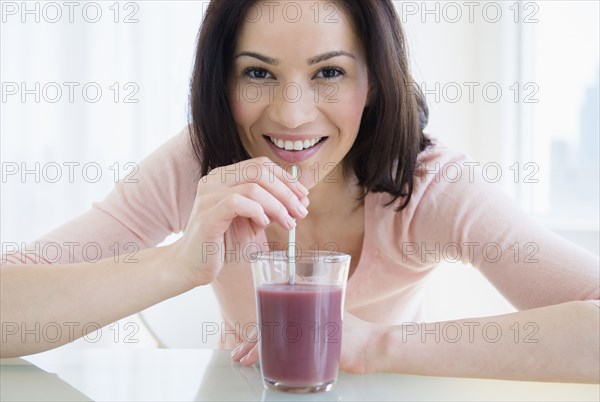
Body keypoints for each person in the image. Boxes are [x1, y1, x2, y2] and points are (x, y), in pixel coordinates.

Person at [1, 0, 598, 383]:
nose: (290, 115)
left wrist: (375, 345)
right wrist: (176, 263)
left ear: (375, 83)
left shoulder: (426, 184)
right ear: (222, 80)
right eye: (258, 73)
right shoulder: (200, 163)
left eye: (329, 72)